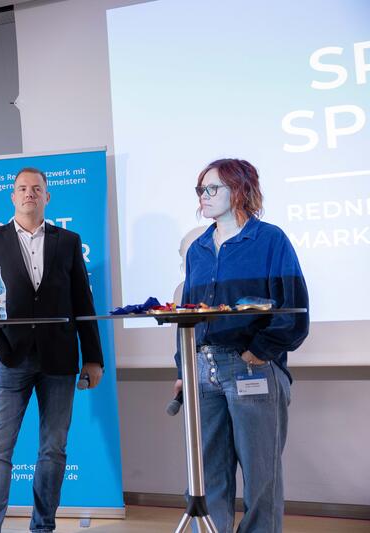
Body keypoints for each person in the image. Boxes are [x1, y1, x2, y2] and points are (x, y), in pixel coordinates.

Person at [173, 158, 309, 532]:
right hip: (203, 370)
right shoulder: (198, 248)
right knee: (207, 475)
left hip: (252, 368)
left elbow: (294, 309)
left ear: (240, 190)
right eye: (200, 189)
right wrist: (184, 367)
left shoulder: (270, 240)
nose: (203, 195)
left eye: (212, 188)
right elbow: (189, 313)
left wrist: (259, 352)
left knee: (261, 474)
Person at [0, 167, 104, 533]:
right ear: (13, 196)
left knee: (53, 448)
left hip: (59, 358)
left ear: (47, 196)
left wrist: (93, 357)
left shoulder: (68, 241)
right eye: (22, 188)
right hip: (10, 357)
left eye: (36, 188)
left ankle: (43, 526)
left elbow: (83, 301)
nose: (29, 193)